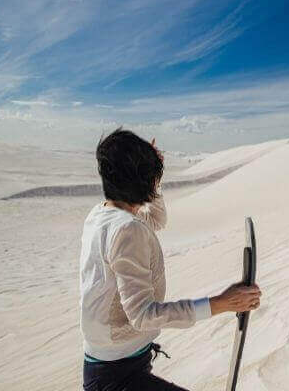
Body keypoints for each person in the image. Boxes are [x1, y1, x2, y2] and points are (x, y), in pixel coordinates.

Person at [79, 128, 261, 390]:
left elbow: (155, 219)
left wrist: (152, 179)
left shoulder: (102, 214)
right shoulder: (127, 230)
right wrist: (221, 303)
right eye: (153, 175)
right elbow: (142, 315)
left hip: (113, 363)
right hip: (116, 375)